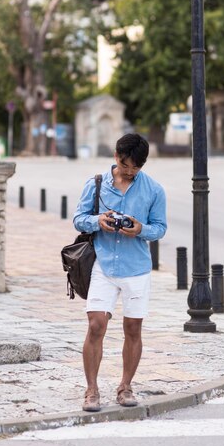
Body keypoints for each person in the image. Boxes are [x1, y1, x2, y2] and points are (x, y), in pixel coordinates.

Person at [73, 133, 167, 412]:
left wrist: (141, 229)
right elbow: (78, 218)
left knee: (133, 329)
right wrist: (97, 220)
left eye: (136, 168)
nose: (130, 172)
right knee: (95, 325)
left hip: (136, 269)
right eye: (126, 165)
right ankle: (91, 390)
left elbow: (160, 228)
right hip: (103, 264)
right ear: (116, 156)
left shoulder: (154, 190)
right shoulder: (96, 184)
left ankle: (125, 386)